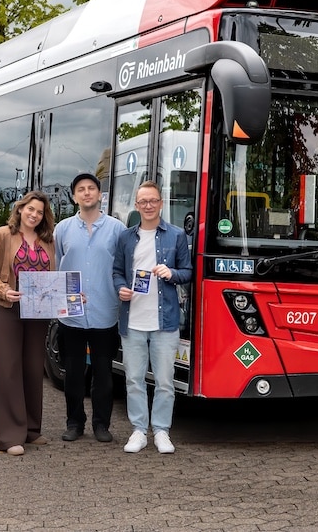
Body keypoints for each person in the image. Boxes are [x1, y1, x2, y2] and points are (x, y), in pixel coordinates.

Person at [112, 181, 192, 454]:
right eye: (142, 201)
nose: (148, 205)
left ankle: (161, 431)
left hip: (165, 321)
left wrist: (172, 274)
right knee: (133, 379)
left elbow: (188, 272)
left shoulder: (177, 235)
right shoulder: (125, 237)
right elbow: (116, 272)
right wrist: (120, 288)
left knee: (165, 381)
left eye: (152, 201)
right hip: (132, 319)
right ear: (136, 206)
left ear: (161, 203)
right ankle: (138, 431)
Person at [0, 190, 56, 456]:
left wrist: (69, 296)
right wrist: (3, 290)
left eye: (39, 212)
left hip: (37, 312)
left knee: (33, 369)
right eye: (30, 209)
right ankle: (10, 436)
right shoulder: (3, 234)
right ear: (21, 209)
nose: (34, 215)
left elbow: (54, 276)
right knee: (8, 370)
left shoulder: (48, 240)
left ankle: (31, 430)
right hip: (9, 310)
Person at [54, 172, 126, 444]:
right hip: (71, 315)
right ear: (75, 196)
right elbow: (59, 265)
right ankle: (74, 423)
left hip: (105, 311)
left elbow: (120, 265)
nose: (86, 193)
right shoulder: (62, 229)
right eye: (81, 189)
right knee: (72, 374)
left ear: (99, 195)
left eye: (91, 188)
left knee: (103, 373)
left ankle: (101, 424)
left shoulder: (116, 229)